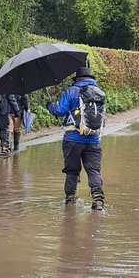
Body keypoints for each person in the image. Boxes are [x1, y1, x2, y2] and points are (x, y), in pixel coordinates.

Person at [48, 66, 106, 210]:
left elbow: (60, 111)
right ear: (91, 79)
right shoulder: (100, 93)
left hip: (73, 139)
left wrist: (50, 106)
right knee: (94, 171)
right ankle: (98, 199)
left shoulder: (72, 91)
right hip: (94, 139)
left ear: (77, 79)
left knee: (72, 171)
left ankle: (70, 200)